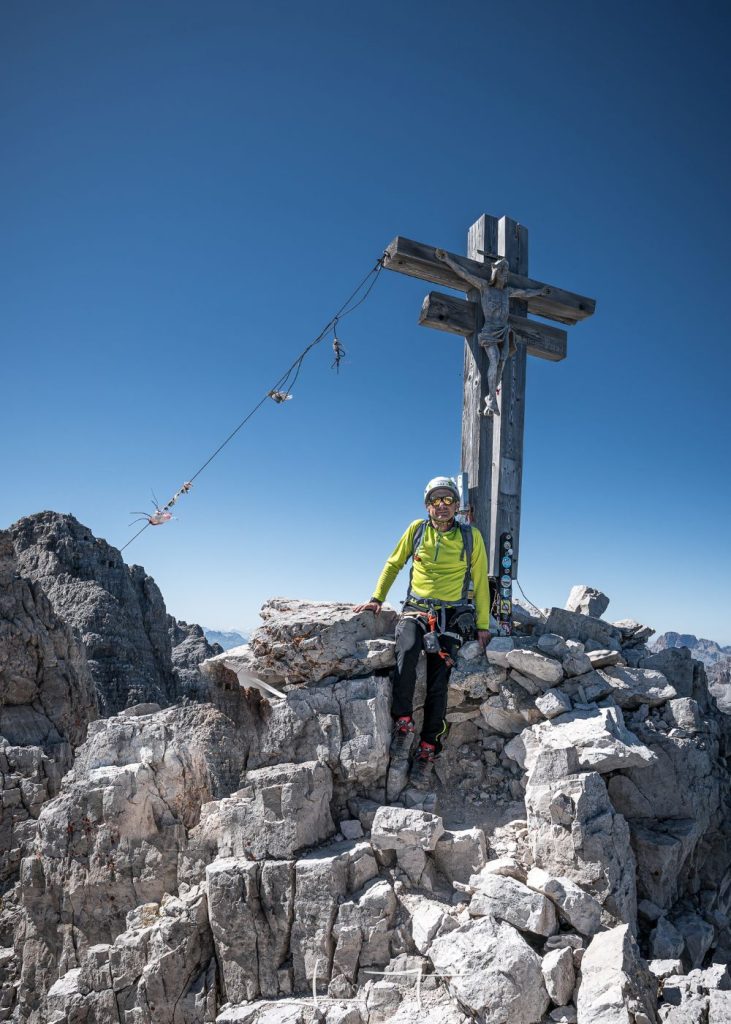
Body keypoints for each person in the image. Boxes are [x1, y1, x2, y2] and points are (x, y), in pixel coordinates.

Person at [354, 476, 491, 788]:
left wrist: (483, 624)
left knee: (439, 680)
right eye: (435, 501)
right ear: (427, 506)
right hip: (416, 609)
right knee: (406, 650)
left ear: (457, 506)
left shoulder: (471, 538)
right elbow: (393, 564)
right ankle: (404, 724)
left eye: (447, 501)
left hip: (451, 616)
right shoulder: (417, 531)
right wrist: (376, 599)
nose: (441, 506)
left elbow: (481, 582)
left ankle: (429, 747)